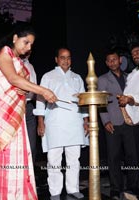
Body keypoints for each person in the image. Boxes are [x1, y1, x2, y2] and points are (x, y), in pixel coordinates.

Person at [0, 24, 57, 200]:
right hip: (0, 116)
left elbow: (19, 85)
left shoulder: (20, 64)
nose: (28, 48)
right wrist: (43, 91)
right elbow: (12, 78)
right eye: (26, 42)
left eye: (31, 45)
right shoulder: (4, 53)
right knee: (3, 157)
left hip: (17, 115)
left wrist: (24, 90)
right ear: (15, 38)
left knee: (17, 157)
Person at [34, 47, 89, 200]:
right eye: (62, 57)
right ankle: (55, 192)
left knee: (73, 158)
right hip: (54, 122)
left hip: (74, 122)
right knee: (54, 159)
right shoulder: (48, 76)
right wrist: (40, 121)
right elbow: (40, 100)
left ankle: (73, 188)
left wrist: (85, 120)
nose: (66, 60)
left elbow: (83, 101)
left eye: (68, 57)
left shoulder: (77, 77)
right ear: (56, 59)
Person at [98, 49, 139, 200]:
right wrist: (105, 121)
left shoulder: (130, 78)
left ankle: (132, 186)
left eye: (114, 59)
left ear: (120, 60)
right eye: (109, 60)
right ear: (106, 63)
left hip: (130, 122)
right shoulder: (102, 79)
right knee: (113, 157)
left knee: (133, 156)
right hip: (113, 123)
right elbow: (101, 103)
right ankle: (116, 188)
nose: (112, 62)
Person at [20, 50, 38, 164]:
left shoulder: (30, 66)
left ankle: (30, 177)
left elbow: (34, 88)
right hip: (16, 107)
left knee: (31, 145)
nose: (28, 52)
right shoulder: (12, 63)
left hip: (30, 107)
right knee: (18, 146)